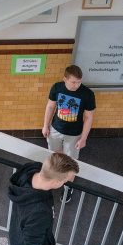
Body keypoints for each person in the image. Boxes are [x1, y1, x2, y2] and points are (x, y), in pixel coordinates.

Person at [42, 65, 95, 202]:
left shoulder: (87, 94)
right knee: (55, 156)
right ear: (65, 79)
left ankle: (68, 186)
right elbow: (50, 106)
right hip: (55, 129)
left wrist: (83, 138)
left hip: (74, 134)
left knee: (71, 161)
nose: (76, 85)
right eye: (73, 82)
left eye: (79, 82)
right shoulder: (57, 88)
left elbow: (88, 118)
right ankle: (54, 178)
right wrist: (45, 125)